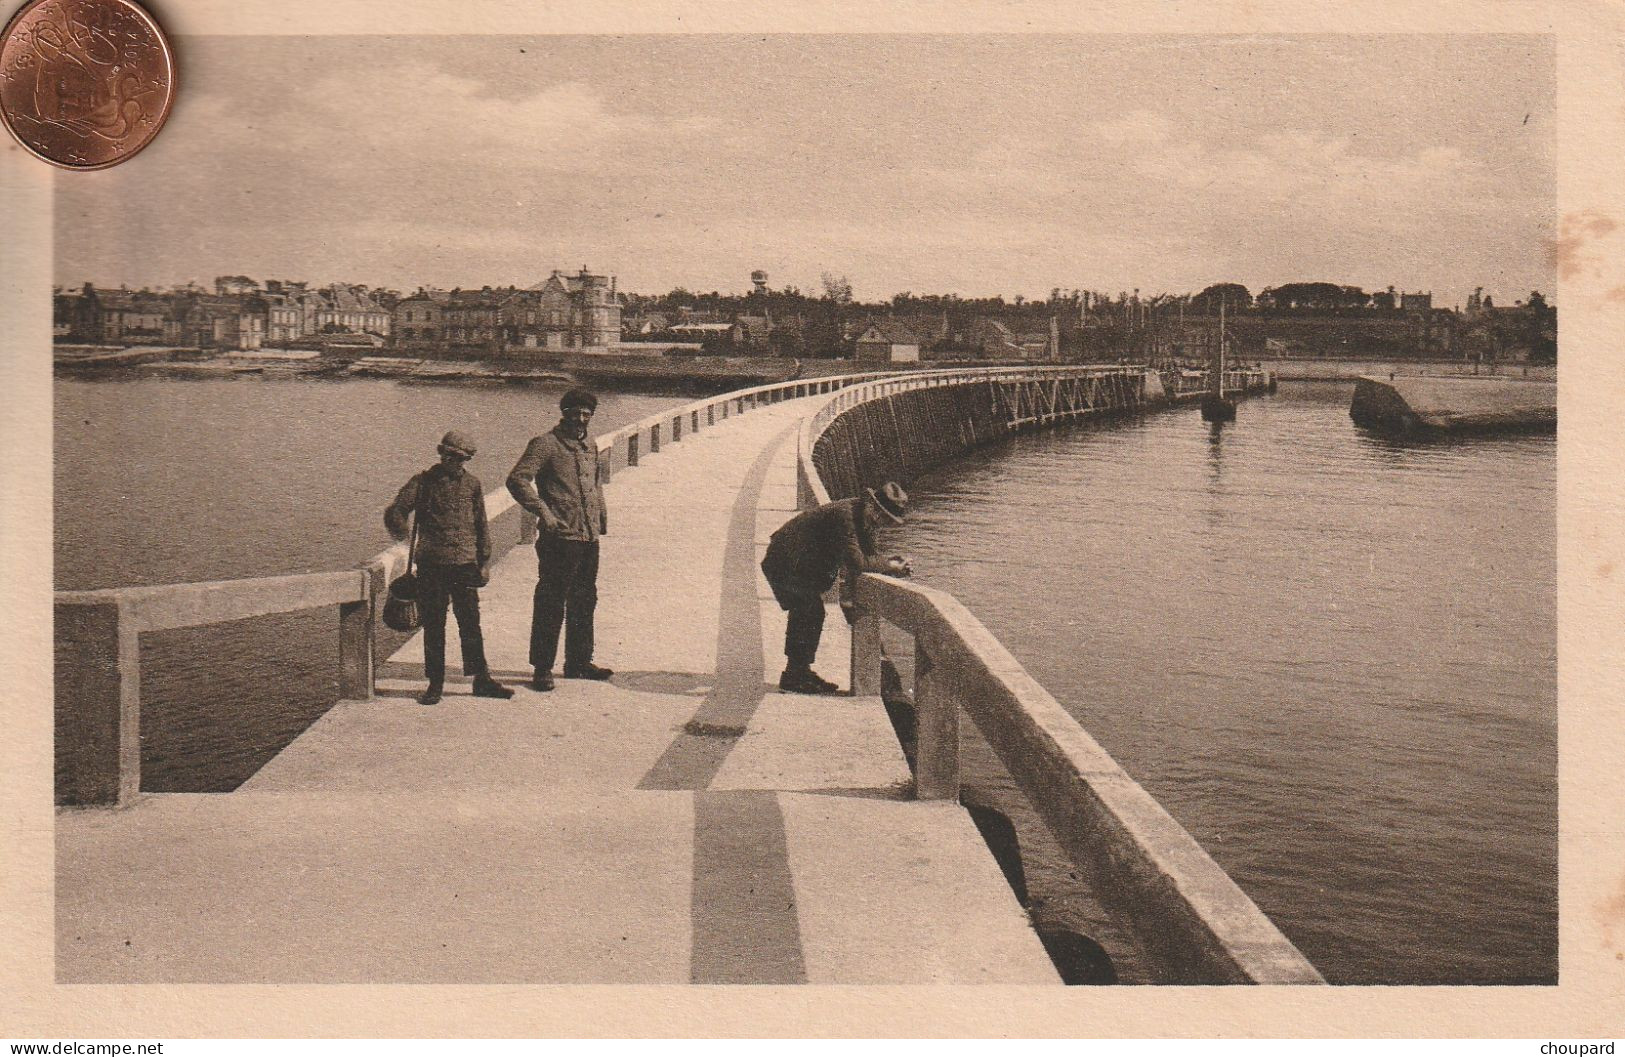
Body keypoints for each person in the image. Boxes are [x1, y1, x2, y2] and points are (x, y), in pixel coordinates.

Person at [384, 430, 513, 706]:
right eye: (450, 455)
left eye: (461, 458)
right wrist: (400, 530)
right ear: (441, 452)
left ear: (467, 460)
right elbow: (397, 510)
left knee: (470, 623)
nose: (455, 461)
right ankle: (435, 682)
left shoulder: (473, 485)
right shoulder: (422, 482)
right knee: (434, 626)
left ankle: (481, 679)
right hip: (432, 566)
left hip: (466, 565)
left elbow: (481, 526)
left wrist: (484, 562)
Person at [759, 482, 912, 694]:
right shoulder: (845, 517)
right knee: (808, 611)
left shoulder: (862, 516)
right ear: (872, 506)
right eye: (882, 516)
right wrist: (890, 566)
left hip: (798, 563)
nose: (881, 522)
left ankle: (799, 672)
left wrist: (887, 562)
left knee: (810, 612)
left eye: (887, 520)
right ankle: (795, 675)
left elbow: (868, 554)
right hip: (785, 560)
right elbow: (857, 562)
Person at [508, 388, 612, 691]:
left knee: (585, 599)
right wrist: (544, 512)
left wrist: (601, 516)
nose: (580, 419)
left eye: (586, 414)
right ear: (563, 414)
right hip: (559, 538)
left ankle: (578, 662)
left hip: (588, 536)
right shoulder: (545, 445)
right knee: (551, 601)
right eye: (574, 413)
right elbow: (517, 479)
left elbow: (596, 483)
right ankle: (542, 667)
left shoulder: (590, 445)